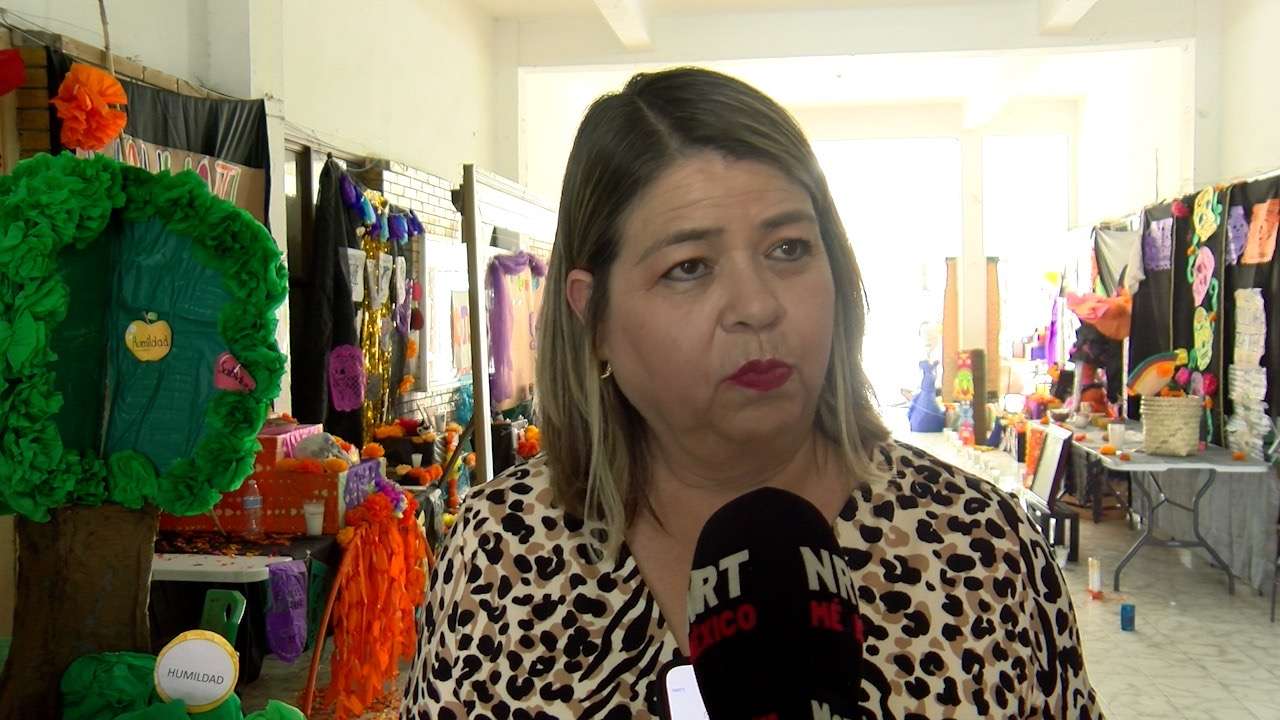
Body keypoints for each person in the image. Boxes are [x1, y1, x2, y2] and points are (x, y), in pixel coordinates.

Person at [402, 67, 1101, 719]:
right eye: (689, 266)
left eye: (788, 249)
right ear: (596, 317)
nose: (757, 305)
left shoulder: (981, 545)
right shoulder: (498, 555)